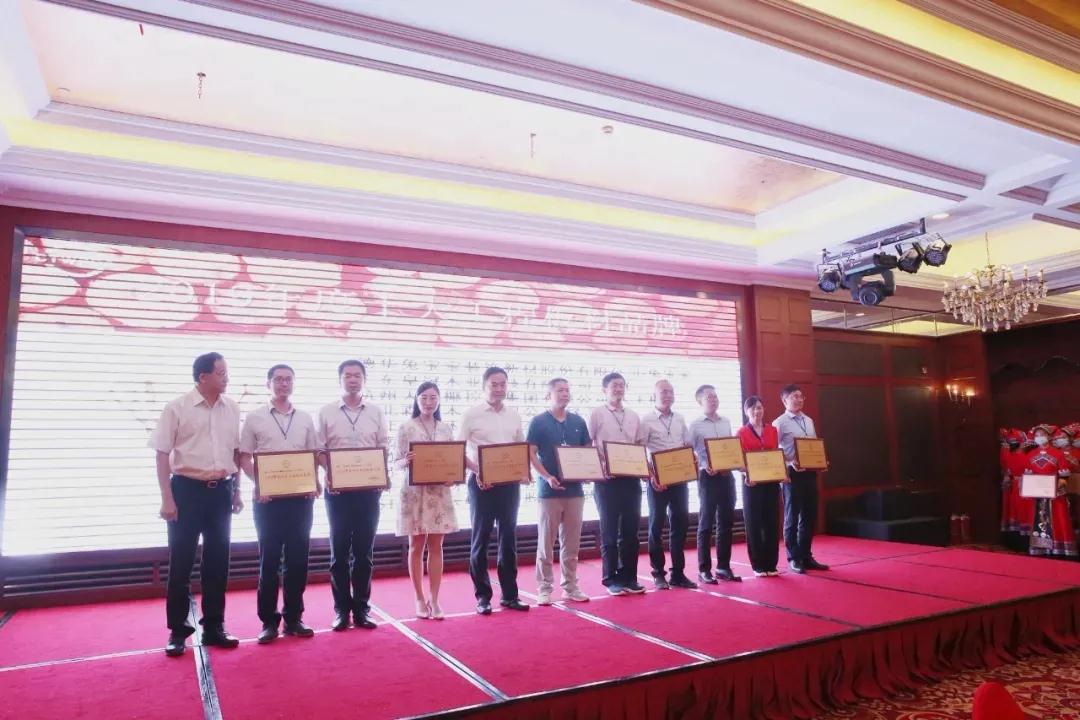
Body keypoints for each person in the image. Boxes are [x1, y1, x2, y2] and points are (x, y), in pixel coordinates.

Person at [150, 351, 242, 657]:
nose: (226, 378)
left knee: (218, 562)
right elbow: (162, 454)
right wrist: (167, 498)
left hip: (221, 492)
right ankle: (178, 630)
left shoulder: (232, 407)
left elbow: (235, 452)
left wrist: (237, 491)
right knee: (181, 562)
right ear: (203, 377)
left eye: (226, 372)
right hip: (186, 491)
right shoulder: (177, 407)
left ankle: (214, 626)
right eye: (221, 373)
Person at [239, 364, 319, 644]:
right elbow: (244, 457)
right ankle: (269, 622)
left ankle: (294, 618)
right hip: (268, 501)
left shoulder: (305, 418)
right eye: (278, 379)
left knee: (298, 560)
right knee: (269, 561)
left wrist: (313, 482)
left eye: (288, 380)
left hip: (300, 500)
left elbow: (312, 455)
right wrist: (259, 483)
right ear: (268, 384)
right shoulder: (254, 417)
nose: (283, 384)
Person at [460, 366, 540, 615]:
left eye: (503, 384)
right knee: (481, 540)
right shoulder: (471, 414)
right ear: (484, 386)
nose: (498, 388)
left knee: (508, 539)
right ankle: (483, 597)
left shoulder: (513, 415)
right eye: (494, 384)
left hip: (509, 485)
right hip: (481, 484)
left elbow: (520, 448)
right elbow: (458, 451)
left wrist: (524, 472)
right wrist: (478, 471)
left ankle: (510, 595)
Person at [318, 360, 388, 631]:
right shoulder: (326, 412)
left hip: (368, 491)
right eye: (347, 376)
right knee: (338, 553)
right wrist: (331, 473)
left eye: (357, 375)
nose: (353, 380)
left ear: (364, 380)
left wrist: (382, 475)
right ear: (340, 380)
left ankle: (361, 609)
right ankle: (341, 611)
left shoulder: (376, 411)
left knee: (363, 553)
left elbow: (382, 446)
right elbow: (319, 450)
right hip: (338, 492)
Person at [394, 382, 459, 620]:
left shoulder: (446, 429)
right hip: (414, 494)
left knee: (436, 546)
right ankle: (419, 598)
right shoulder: (405, 427)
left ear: (439, 400)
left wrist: (453, 477)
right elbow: (396, 462)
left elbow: (452, 461)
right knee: (415, 546)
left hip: (439, 493)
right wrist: (407, 461)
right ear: (416, 399)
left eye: (433, 398)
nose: (429, 402)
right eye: (424, 397)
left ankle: (435, 598)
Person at [527, 378, 592, 606]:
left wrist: (588, 471)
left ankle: (570, 586)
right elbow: (530, 453)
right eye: (560, 390)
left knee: (571, 543)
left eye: (567, 390)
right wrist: (547, 477)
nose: (565, 394)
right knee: (546, 543)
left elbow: (587, 451)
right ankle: (544, 588)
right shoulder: (538, 422)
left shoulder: (578, 421)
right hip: (549, 492)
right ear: (549, 395)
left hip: (575, 491)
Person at [588, 373, 647, 596]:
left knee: (631, 532)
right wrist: (599, 468)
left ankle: (629, 577)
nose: (618, 389)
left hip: (631, 479)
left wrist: (643, 469)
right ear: (605, 389)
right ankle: (610, 579)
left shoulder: (633, 415)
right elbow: (589, 443)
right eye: (614, 386)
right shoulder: (597, 413)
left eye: (622, 385)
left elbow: (639, 445)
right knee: (610, 532)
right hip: (607, 481)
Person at [639, 379, 696, 590]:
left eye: (670, 392)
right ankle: (658, 573)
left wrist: (693, 461)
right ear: (654, 395)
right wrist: (651, 476)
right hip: (658, 481)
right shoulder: (646, 420)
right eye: (663, 392)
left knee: (680, 524)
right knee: (656, 526)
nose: (667, 395)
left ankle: (678, 573)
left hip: (679, 479)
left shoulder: (680, 418)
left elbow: (687, 445)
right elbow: (641, 450)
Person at [772, 384, 829, 574]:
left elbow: (813, 446)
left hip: (810, 473)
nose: (798, 399)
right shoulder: (779, 422)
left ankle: (806, 555)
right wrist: (789, 462)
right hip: (792, 475)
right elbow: (774, 451)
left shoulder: (808, 420)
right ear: (784, 400)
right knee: (792, 516)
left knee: (809, 515)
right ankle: (794, 558)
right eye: (794, 396)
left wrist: (821, 460)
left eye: (801, 396)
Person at [689, 384, 740, 584]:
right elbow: (689, 452)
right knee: (706, 523)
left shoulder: (726, 421)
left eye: (715, 397)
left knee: (726, 523)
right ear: (700, 401)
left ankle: (723, 567)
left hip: (727, 476)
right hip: (707, 478)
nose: (713, 400)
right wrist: (703, 465)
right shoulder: (695, 425)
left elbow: (729, 450)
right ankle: (704, 569)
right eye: (709, 397)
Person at [735, 395, 781, 577]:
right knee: (754, 522)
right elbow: (738, 459)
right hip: (751, 482)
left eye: (760, 407)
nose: (757, 411)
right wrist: (747, 473)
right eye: (753, 408)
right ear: (747, 412)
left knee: (771, 522)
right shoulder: (741, 432)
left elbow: (775, 454)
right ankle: (758, 564)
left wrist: (781, 473)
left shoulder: (773, 430)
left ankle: (771, 563)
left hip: (771, 482)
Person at [1022, 424, 1076, 558]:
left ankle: (1059, 549)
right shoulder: (1030, 454)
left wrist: (1057, 486)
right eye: (1037, 435)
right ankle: (1040, 547)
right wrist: (1027, 488)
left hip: (1055, 495)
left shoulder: (1058, 454)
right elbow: (1028, 475)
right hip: (1037, 495)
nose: (1039, 437)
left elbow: (1064, 476)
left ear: (1049, 436)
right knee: (1038, 519)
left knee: (1058, 520)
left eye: (1042, 434)